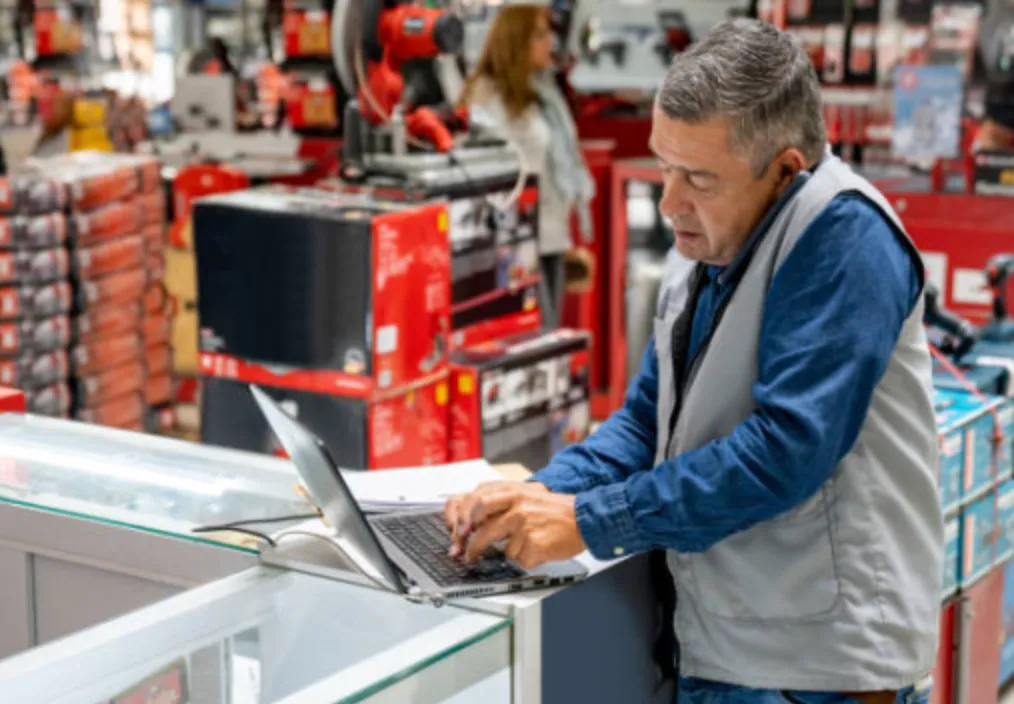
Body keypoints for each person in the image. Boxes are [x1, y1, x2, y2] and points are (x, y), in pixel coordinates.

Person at [445, 19, 941, 704]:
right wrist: (537, 496)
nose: (669, 201)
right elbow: (647, 423)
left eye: (699, 179)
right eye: (664, 166)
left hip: (815, 676)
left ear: (785, 170)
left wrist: (589, 521)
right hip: (726, 650)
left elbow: (784, 453)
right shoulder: (712, 246)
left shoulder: (845, 238)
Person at [459, 5, 595, 330]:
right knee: (532, 336)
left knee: (549, 337)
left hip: (550, 234)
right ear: (514, 42)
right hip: (513, 243)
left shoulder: (542, 93)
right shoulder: (487, 99)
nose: (549, 42)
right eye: (539, 35)